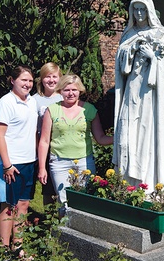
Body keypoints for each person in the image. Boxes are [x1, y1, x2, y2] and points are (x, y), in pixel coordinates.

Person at [113, 0, 164, 209]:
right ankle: (129, 183)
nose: (139, 14)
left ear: (149, 11)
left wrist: (153, 57)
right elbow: (120, 65)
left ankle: (149, 184)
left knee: (147, 136)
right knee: (128, 133)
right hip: (132, 92)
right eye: (135, 10)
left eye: (142, 9)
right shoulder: (129, 34)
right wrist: (131, 50)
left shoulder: (161, 34)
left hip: (151, 98)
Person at [38, 73, 113, 214]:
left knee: (86, 200)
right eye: (66, 90)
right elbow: (44, 141)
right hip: (59, 163)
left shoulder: (89, 110)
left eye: (74, 90)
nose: (71, 93)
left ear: (80, 91)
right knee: (64, 202)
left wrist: (118, 138)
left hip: (84, 162)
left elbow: (100, 138)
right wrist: (42, 168)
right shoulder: (52, 110)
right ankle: (65, 233)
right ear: (60, 91)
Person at [0, 65, 38, 246]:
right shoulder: (6, 102)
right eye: (23, 80)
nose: (27, 84)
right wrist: (7, 164)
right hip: (11, 164)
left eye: (30, 81)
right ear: (12, 80)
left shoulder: (32, 101)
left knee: (23, 206)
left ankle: (18, 247)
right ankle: (3, 250)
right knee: (8, 207)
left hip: (29, 162)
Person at [33, 62, 63, 205]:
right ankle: (49, 221)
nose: (51, 80)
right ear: (41, 79)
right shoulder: (34, 100)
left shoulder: (64, 98)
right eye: (47, 77)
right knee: (48, 189)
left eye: (54, 76)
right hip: (44, 146)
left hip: (61, 146)